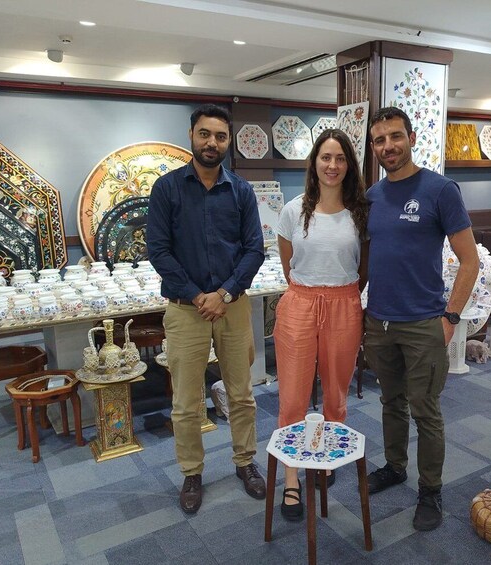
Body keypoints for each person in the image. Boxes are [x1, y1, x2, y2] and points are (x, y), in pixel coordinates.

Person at [147, 104, 266, 515]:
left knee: (242, 394)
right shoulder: (167, 189)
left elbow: (254, 250)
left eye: (220, 136)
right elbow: (158, 251)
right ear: (192, 135)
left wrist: (225, 294)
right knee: (186, 401)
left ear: (228, 141)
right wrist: (199, 296)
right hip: (186, 309)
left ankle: (245, 462)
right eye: (205, 134)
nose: (212, 142)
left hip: (233, 307)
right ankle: (192, 472)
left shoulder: (241, 191)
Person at [363, 106, 478, 531]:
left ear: (411, 138)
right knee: (390, 401)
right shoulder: (372, 196)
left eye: (395, 136)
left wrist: (450, 317)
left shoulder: (440, 190)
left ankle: (430, 490)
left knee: (425, 411)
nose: (388, 146)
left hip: (423, 323)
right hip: (379, 321)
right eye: (380, 140)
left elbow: (469, 261)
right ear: (373, 147)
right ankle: (395, 467)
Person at [273, 128, 369, 521]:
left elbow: (362, 267)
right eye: (325, 157)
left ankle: (326, 456)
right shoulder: (293, 210)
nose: (332, 165)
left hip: (345, 303)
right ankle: (291, 478)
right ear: (314, 162)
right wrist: (310, 293)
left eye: (340, 158)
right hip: (300, 302)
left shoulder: (361, 212)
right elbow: (288, 263)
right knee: (293, 395)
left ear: (349, 165)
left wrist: (341, 295)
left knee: (336, 391)